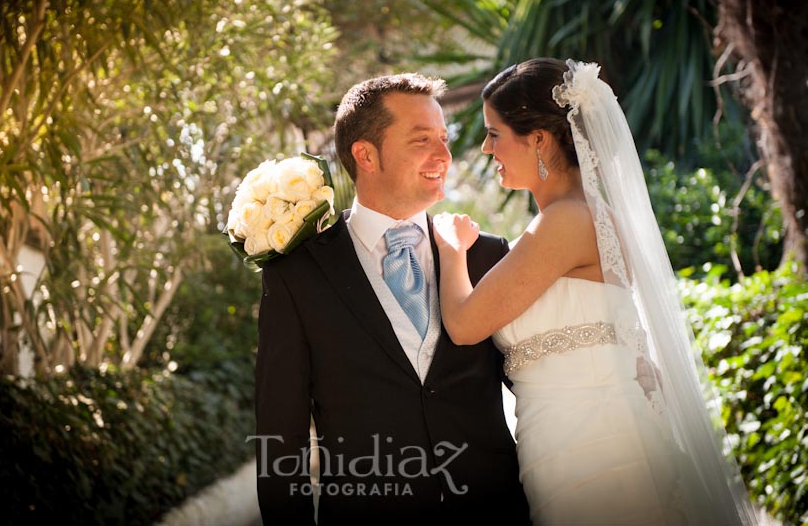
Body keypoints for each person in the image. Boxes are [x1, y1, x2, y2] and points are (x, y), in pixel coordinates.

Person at [433, 58, 758, 525]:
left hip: (590, 447)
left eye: (495, 133)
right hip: (576, 438)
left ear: (539, 139)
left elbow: (464, 325)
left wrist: (450, 249)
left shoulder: (564, 221)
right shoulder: (589, 215)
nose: (486, 148)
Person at [253, 73, 530, 524]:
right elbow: (280, 436)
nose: (444, 155)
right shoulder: (297, 275)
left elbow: (533, 387)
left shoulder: (487, 255)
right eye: (422, 140)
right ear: (365, 154)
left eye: (444, 138)